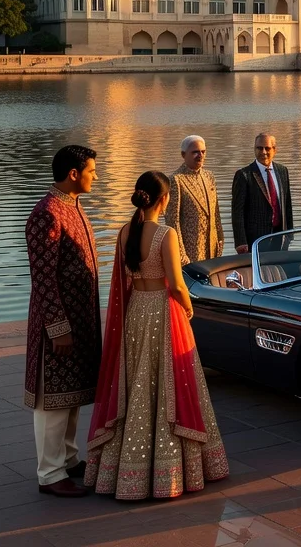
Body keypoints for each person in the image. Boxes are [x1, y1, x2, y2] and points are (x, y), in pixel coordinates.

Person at [85, 171, 228, 499]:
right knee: (170, 381)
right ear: (164, 200)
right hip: (163, 311)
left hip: (136, 310)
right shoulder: (166, 233)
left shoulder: (124, 232)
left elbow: (123, 278)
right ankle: (172, 470)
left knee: (138, 382)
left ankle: (123, 467)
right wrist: (189, 306)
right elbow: (177, 283)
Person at [25, 145, 102, 498]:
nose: (95, 176)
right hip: (57, 327)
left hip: (79, 319)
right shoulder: (47, 214)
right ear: (74, 174)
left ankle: (69, 460)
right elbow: (43, 278)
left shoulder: (72, 206)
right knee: (52, 401)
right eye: (91, 171)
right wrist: (58, 327)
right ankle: (50, 473)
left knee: (70, 396)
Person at [231, 133, 293, 253]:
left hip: (280, 236)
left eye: (267, 148)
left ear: (274, 150)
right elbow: (237, 212)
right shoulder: (244, 175)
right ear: (254, 149)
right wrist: (240, 242)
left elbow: (287, 205)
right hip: (255, 239)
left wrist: (290, 234)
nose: (263, 152)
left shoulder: (282, 171)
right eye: (259, 148)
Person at [165, 135, 223, 262]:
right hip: (190, 252)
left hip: (212, 249)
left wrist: (220, 240)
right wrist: (181, 253)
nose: (200, 155)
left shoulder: (209, 176)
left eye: (203, 152)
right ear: (183, 154)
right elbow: (172, 221)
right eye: (195, 152)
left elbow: (215, 213)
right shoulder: (176, 180)